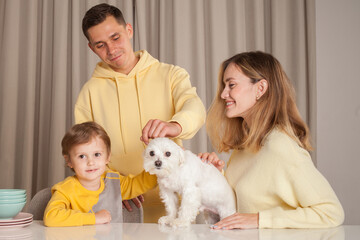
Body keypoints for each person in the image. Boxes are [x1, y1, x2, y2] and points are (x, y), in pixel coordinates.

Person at [75, 3, 206, 223]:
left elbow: (195, 107)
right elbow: (83, 150)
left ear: (129, 30)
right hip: (123, 209)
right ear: (92, 48)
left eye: (115, 38)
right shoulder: (89, 93)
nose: (111, 50)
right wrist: (111, 186)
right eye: (100, 45)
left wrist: (175, 125)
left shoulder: (171, 74)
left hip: (176, 202)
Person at [199, 51, 344, 229]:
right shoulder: (245, 146)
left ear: (260, 88)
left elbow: (331, 212)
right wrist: (213, 177)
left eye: (231, 85)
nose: (223, 94)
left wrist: (260, 220)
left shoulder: (280, 145)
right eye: (224, 86)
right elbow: (236, 211)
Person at [43, 122, 157, 227]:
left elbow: (142, 183)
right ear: (69, 161)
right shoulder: (66, 189)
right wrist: (94, 218)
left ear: (107, 157)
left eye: (97, 154)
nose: (90, 162)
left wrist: (160, 165)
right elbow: (51, 217)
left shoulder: (115, 181)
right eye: (82, 156)